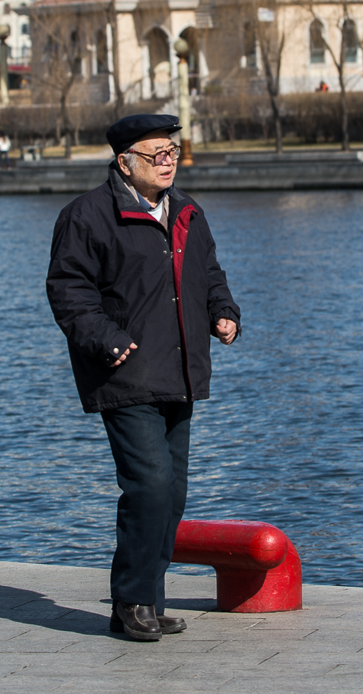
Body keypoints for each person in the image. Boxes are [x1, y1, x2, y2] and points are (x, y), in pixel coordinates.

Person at [46, 112, 240, 643]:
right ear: (124, 161)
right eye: (157, 154)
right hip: (125, 372)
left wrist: (224, 312)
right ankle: (130, 599)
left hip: (180, 370)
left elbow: (210, 275)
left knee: (172, 493)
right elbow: (69, 293)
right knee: (149, 486)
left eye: (173, 152)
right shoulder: (87, 216)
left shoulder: (189, 213)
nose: (168, 161)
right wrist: (106, 339)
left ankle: (148, 601)